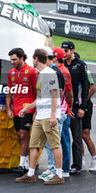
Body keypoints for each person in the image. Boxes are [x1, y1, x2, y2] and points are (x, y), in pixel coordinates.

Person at [16, 49, 64, 185]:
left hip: (49, 116)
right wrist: (26, 108)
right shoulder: (41, 74)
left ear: (36, 58)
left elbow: (55, 95)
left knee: (55, 145)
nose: (32, 61)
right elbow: (41, 99)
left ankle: (59, 175)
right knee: (34, 145)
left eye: (33, 58)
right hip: (40, 116)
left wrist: (53, 116)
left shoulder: (49, 74)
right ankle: (30, 174)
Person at [6, 48, 38, 175]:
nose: (12, 62)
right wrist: (8, 109)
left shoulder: (32, 72)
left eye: (14, 59)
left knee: (24, 135)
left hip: (28, 109)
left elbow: (38, 93)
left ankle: (22, 165)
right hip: (16, 110)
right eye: (11, 60)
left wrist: (35, 111)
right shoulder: (11, 72)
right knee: (20, 136)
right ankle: (24, 163)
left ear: (21, 58)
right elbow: (8, 92)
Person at [37, 47, 66, 181]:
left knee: (54, 144)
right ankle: (51, 168)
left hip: (55, 112)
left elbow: (57, 93)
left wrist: (54, 113)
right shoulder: (47, 72)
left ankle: (55, 170)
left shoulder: (54, 72)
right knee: (50, 144)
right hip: (52, 111)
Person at [61, 41, 89, 175]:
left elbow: (85, 87)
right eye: (63, 50)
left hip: (75, 106)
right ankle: (61, 164)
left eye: (66, 50)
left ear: (72, 50)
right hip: (62, 106)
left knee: (76, 137)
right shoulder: (59, 64)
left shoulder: (80, 65)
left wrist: (82, 107)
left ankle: (77, 165)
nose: (64, 53)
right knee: (62, 136)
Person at [52, 47, 73, 177]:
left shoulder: (63, 71)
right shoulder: (59, 70)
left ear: (54, 58)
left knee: (63, 140)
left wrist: (70, 108)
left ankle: (65, 168)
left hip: (63, 110)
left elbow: (69, 93)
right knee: (59, 140)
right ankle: (60, 167)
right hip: (62, 109)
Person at [81, 69, 96, 172]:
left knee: (85, 134)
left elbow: (93, 88)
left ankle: (95, 161)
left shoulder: (86, 71)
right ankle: (81, 161)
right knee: (77, 135)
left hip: (85, 105)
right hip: (76, 105)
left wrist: (83, 102)